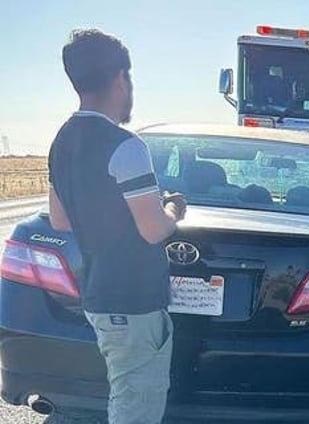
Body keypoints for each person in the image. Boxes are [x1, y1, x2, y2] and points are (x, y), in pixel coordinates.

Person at [47, 29, 186, 424]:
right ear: (121, 77)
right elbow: (155, 230)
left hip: (99, 297)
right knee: (135, 407)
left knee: (127, 396)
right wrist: (174, 208)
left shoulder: (61, 140)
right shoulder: (125, 145)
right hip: (134, 300)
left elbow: (60, 220)